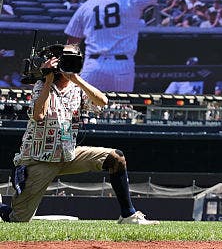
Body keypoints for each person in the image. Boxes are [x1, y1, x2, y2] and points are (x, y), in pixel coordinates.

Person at [0, 49, 158, 224]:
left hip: (68, 154)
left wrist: (76, 79)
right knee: (18, 219)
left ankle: (128, 215)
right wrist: (48, 80)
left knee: (116, 158)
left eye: (75, 61)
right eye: (66, 61)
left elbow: (102, 101)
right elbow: (39, 115)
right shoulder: (42, 85)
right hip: (39, 160)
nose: (70, 65)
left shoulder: (77, 88)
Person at [65, 0, 178, 92]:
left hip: (93, 66)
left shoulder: (87, 5)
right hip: (121, 67)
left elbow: (71, 43)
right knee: (120, 111)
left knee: (86, 111)